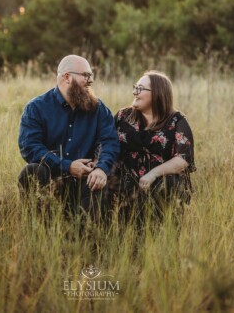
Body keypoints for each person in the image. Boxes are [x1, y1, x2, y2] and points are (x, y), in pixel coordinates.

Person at [18, 55, 120, 218]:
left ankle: (87, 237)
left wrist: (101, 168)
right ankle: (39, 231)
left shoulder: (98, 109)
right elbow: (30, 147)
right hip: (51, 178)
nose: (91, 80)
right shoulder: (36, 108)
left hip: (86, 180)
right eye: (86, 75)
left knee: (101, 179)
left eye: (91, 75)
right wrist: (67, 166)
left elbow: (110, 142)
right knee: (31, 171)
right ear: (67, 77)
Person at [113, 70, 196, 221]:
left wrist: (153, 174)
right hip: (126, 180)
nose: (134, 92)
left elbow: (183, 159)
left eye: (140, 89)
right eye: (135, 87)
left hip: (161, 182)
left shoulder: (177, 121)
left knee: (170, 184)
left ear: (157, 93)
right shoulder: (122, 116)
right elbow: (108, 144)